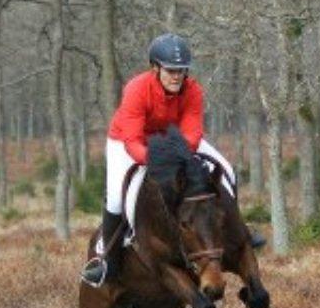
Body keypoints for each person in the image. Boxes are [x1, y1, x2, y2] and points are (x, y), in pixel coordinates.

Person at [81, 33, 265, 288]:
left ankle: (239, 229)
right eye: (170, 70)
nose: (177, 75)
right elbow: (132, 140)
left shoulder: (193, 90)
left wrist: (179, 158)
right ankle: (106, 260)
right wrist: (157, 163)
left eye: (181, 70)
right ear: (155, 68)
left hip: (176, 141)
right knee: (115, 196)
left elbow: (192, 134)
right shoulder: (136, 89)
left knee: (225, 168)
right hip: (130, 141)